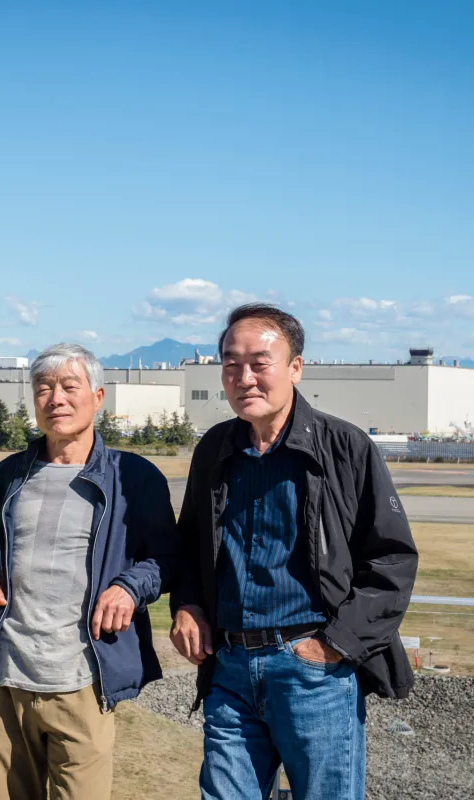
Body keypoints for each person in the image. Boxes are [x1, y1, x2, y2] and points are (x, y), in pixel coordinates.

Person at [170, 304, 419, 800]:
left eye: (260, 363)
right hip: (231, 670)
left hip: (313, 672)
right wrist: (188, 604)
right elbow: (191, 544)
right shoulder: (214, 449)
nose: (244, 378)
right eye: (230, 364)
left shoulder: (345, 447)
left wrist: (335, 645)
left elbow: (392, 561)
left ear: (295, 367)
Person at [0, 343, 180, 800]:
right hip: (6, 674)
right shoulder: (7, 474)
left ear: (98, 397)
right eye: (43, 388)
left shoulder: (134, 476)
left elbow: (168, 560)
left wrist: (129, 587)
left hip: (83, 678)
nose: (55, 398)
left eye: (69, 386)